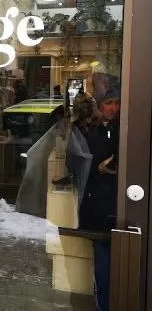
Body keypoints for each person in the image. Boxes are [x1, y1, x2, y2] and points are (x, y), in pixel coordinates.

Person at [79, 88, 120, 311]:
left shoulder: (119, 128)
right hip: (98, 204)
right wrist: (99, 168)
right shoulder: (89, 130)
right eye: (108, 103)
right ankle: (104, 304)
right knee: (103, 257)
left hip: (116, 202)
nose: (113, 108)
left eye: (116, 103)